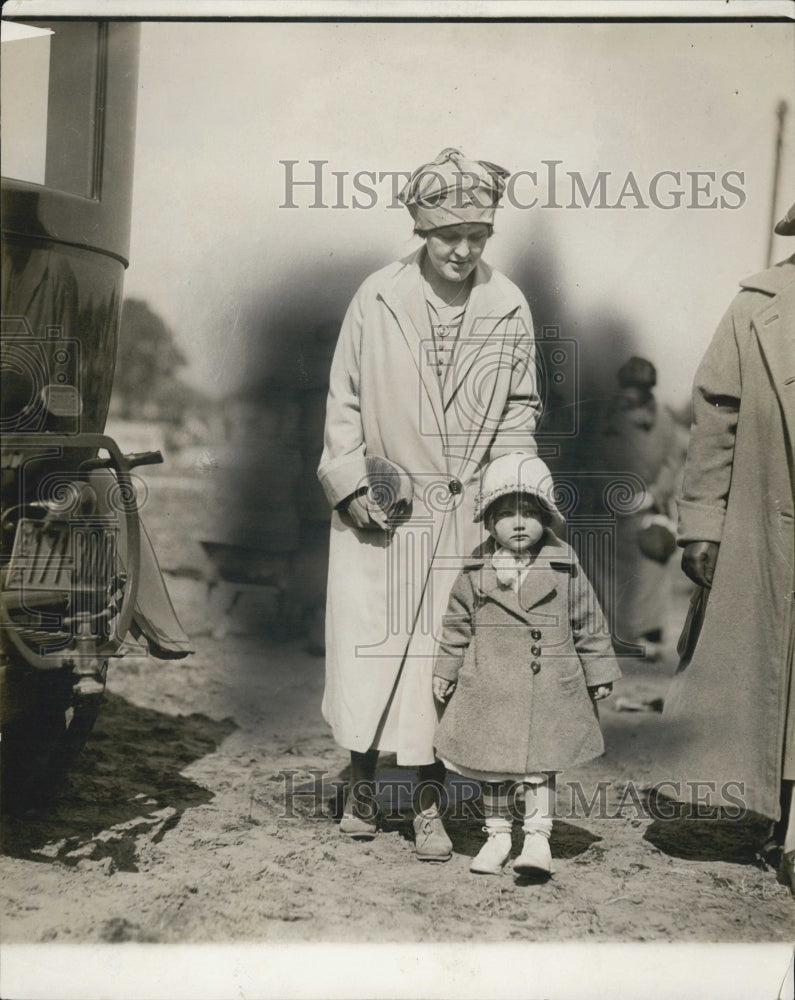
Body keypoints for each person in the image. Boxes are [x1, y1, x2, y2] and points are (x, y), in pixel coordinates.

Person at [318, 149, 541, 859]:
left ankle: (425, 806)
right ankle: (359, 785)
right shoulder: (375, 296)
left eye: (477, 235)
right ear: (421, 231)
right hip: (383, 510)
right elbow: (344, 401)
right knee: (368, 653)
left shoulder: (508, 304)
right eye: (449, 236)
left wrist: (511, 499)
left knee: (439, 666)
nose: (464, 249)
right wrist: (351, 484)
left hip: (465, 510)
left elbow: (518, 410)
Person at [659, 199, 795, 889]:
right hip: (765, 525)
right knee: (768, 674)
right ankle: (770, 817)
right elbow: (715, 416)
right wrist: (703, 524)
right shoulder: (756, 308)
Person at [432, 452, 621, 875]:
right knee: (492, 768)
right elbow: (456, 622)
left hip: (548, 684)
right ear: (487, 520)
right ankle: (497, 837)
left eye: (530, 512)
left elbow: (587, 618)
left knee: (540, 769)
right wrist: (445, 668)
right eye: (506, 513)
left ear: (547, 518)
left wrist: (599, 671)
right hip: (492, 687)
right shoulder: (474, 568)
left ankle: (537, 840)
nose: (519, 523)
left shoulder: (563, 563)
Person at [595, 358, 687, 658]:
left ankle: (646, 631)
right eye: (629, 388)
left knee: (651, 567)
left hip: (649, 508)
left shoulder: (664, 419)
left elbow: (673, 462)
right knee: (610, 571)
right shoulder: (605, 416)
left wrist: (652, 494)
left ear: (650, 389)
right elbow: (592, 458)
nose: (633, 395)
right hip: (610, 507)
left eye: (641, 389)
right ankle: (616, 633)